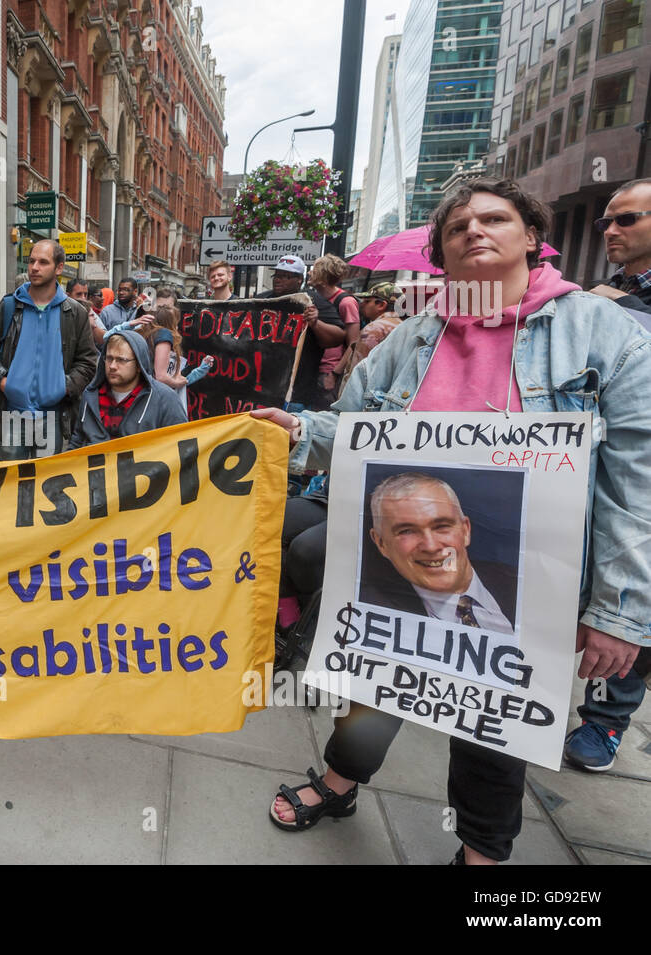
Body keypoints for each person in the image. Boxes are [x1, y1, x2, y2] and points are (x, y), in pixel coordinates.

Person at [256, 177, 651, 864]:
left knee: (494, 725)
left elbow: (636, 481)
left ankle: (481, 851)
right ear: (440, 252)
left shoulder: (604, 332)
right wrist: (296, 429)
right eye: (457, 225)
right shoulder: (409, 339)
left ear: (533, 236)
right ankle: (342, 781)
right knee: (370, 687)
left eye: (494, 217)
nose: (474, 230)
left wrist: (621, 609)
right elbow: (348, 427)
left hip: (529, 578)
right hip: (394, 564)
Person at [564, 177, 651, 771]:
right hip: (606, 456)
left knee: (633, 593)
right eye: (606, 222)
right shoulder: (607, 293)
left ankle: (607, 719)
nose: (611, 231)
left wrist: (622, 313)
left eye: (627, 220)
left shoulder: (619, 302)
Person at [0, 239, 98, 459]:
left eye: (43, 262)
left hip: (53, 416)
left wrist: (64, 386)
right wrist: (4, 382)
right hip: (12, 413)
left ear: (59, 268)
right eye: (31, 261)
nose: (34, 267)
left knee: (44, 484)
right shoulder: (7, 307)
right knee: (11, 481)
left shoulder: (75, 313)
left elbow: (87, 361)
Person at [361, 472, 517, 632]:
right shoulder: (365, 612)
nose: (431, 546)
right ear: (381, 543)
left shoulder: (517, 582)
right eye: (407, 531)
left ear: (465, 531)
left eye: (441, 526)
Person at [69, 328, 187, 448]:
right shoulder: (90, 396)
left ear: (139, 365)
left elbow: (183, 447)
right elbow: (77, 441)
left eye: (121, 360)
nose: (113, 366)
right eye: (109, 358)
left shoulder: (165, 399)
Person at [255, 255, 345, 411]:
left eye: (285, 276)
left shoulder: (314, 301)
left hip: (296, 394)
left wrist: (316, 323)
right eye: (277, 275)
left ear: (299, 280)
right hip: (262, 390)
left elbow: (338, 336)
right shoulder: (262, 300)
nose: (278, 280)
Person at [589, 177, 651, 316]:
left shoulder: (613, 295)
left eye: (627, 219)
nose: (609, 232)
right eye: (604, 224)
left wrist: (623, 301)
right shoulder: (605, 290)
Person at [309, 254, 361, 398]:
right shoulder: (315, 299)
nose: (309, 272)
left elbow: (354, 343)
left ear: (323, 276)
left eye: (314, 270)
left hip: (328, 372)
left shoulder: (346, 302)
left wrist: (334, 374)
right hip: (314, 367)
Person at [94, 277, 144, 347]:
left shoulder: (140, 310)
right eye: (119, 290)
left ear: (135, 291)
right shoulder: (107, 311)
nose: (121, 293)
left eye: (126, 290)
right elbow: (99, 339)